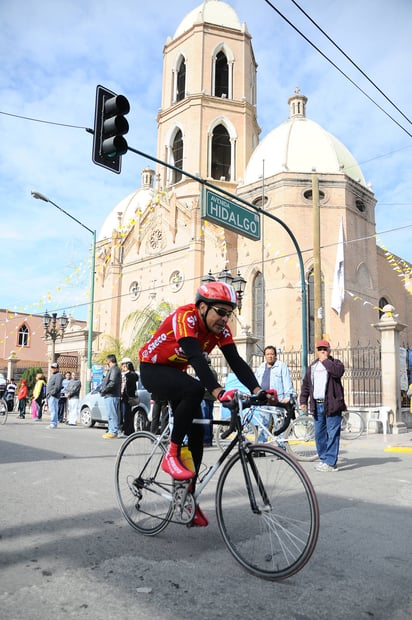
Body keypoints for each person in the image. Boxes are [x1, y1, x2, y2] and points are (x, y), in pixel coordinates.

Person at [138, 281, 276, 527]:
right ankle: (169, 455)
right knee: (195, 389)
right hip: (153, 368)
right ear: (202, 307)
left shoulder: (220, 331)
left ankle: (186, 499)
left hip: (176, 373)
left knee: (198, 430)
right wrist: (217, 390)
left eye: (229, 313)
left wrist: (258, 390)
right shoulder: (186, 317)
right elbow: (194, 357)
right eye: (220, 312)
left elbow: (236, 362)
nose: (225, 319)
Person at [300, 339, 346, 472]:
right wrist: (303, 400)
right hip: (317, 405)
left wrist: (325, 361)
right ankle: (324, 459)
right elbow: (306, 385)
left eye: (324, 349)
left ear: (329, 351)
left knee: (332, 434)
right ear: (317, 351)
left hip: (332, 405)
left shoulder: (335, 363)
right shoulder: (312, 367)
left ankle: (331, 463)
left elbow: (338, 372)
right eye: (320, 349)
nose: (322, 351)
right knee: (319, 434)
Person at [255, 345, 295, 444]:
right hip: (263, 400)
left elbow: (287, 382)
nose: (270, 356)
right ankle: (261, 447)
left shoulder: (281, 366)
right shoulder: (261, 367)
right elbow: (256, 382)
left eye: (272, 354)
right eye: (268, 354)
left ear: (275, 355)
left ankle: (281, 447)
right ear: (265, 356)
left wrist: (288, 396)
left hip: (277, 400)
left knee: (279, 424)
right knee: (263, 424)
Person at [100, 354, 121, 438]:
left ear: (110, 360)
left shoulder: (115, 369)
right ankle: (111, 430)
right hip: (109, 395)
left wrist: (104, 390)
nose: (106, 362)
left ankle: (113, 431)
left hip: (112, 395)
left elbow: (112, 383)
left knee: (112, 414)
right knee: (110, 414)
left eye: (107, 360)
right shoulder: (112, 369)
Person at [200, 353, 218, 447]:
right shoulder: (213, 370)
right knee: (209, 418)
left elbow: (202, 384)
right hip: (210, 397)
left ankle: (206, 439)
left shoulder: (205, 370)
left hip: (205, 397)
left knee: (204, 419)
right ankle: (209, 439)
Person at [119, 358, 138, 437]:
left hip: (126, 397)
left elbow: (126, 387)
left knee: (126, 415)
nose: (122, 367)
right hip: (127, 397)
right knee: (127, 414)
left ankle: (127, 431)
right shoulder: (133, 375)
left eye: (123, 365)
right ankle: (128, 430)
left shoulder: (129, 375)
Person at [46, 363, 64, 429]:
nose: (53, 369)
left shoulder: (58, 375)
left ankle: (53, 423)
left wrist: (51, 393)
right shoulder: (53, 375)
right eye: (52, 368)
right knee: (54, 410)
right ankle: (54, 423)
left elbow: (58, 386)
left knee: (53, 410)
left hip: (53, 396)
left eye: (54, 368)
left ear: (57, 368)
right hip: (52, 396)